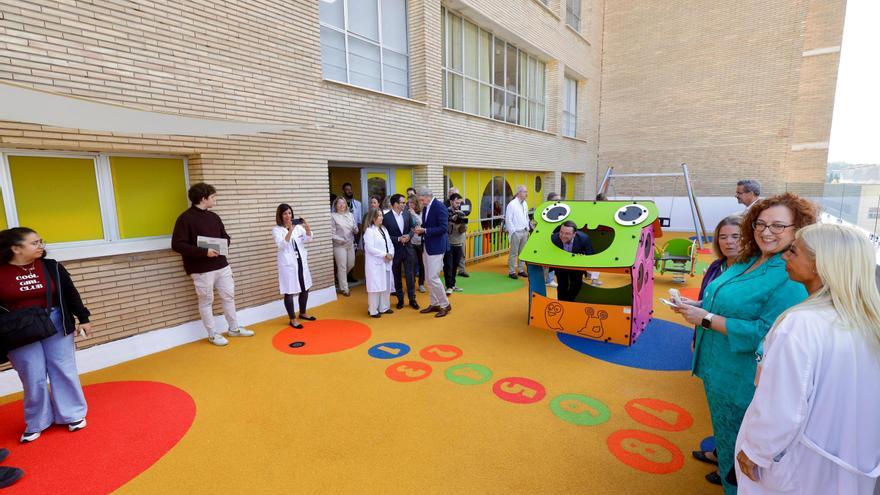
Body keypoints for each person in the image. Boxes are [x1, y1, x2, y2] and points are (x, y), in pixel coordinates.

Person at [672, 193, 817, 493]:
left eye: (778, 226)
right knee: (727, 442)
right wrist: (698, 305)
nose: (766, 231)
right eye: (761, 224)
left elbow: (768, 332)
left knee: (745, 457)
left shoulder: (790, 272)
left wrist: (706, 319)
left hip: (743, 381)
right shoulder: (749, 259)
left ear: (798, 228)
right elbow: (723, 300)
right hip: (717, 369)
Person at [735, 223, 880, 494]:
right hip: (852, 462)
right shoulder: (869, 322)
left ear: (818, 263)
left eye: (793, 251)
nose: (784, 257)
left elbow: (783, 406)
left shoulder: (800, 324)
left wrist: (755, 450)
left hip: (796, 467)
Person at [0, 228, 91, 443]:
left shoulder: (52, 267)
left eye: (41, 241)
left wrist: (84, 319)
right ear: (16, 248)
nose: (41, 246)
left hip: (55, 321)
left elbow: (70, 293)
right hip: (18, 329)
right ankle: (37, 421)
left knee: (63, 367)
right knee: (33, 374)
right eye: (34, 243)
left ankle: (73, 414)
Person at [683, 215, 744, 482]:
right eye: (723, 237)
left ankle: (729, 467)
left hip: (732, 349)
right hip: (710, 339)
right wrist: (694, 304)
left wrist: (704, 317)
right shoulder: (718, 266)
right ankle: (721, 451)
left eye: (736, 236)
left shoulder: (748, 270)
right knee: (718, 407)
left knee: (734, 412)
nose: (729, 242)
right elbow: (710, 299)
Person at [172, 183, 254, 346]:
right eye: (213, 197)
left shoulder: (214, 217)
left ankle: (234, 328)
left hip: (222, 265)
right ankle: (212, 334)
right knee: (206, 301)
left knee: (228, 296)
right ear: (203, 198)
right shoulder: (184, 218)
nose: (215, 200)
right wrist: (204, 252)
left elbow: (225, 237)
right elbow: (177, 244)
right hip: (201, 269)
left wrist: (223, 244)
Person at [273, 204, 316, 329]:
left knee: (305, 287)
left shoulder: (298, 228)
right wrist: (290, 230)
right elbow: (281, 245)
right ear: (280, 215)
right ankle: (292, 319)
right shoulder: (276, 230)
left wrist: (307, 229)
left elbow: (308, 239)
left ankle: (303, 313)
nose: (288, 216)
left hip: (301, 262)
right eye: (285, 213)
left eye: (290, 213)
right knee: (289, 291)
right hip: (288, 264)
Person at [413, 186, 451, 318]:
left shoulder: (439, 207)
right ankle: (435, 303)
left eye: (422, 199)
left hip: (436, 247)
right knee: (429, 279)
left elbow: (443, 228)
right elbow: (429, 225)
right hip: (427, 246)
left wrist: (425, 231)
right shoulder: (427, 207)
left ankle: (445, 304)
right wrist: (421, 228)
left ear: (428, 196)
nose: (421, 202)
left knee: (433, 278)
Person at [383, 194, 419, 310]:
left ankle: (412, 299)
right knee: (397, 275)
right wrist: (398, 239)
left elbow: (413, 228)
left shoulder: (407, 214)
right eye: (402, 202)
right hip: (395, 250)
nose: (405, 204)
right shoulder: (386, 217)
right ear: (395, 204)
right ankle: (400, 300)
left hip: (408, 249)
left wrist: (409, 235)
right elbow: (385, 236)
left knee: (410, 275)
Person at [362, 208, 395, 318]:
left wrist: (391, 253)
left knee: (385, 285)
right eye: (379, 215)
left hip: (386, 262)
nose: (382, 217)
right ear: (373, 218)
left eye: (381, 215)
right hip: (376, 263)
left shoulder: (384, 229)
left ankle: (384, 307)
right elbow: (369, 248)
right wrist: (384, 254)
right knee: (375, 287)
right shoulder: (369, 231)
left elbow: (389, 243)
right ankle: (373, 310)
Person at [551, 221, 595, 301]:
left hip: (576, 266)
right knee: (562, 286)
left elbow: (591, 253)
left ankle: (569, 302)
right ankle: (562, 304)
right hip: (561, 266)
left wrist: (584, 257)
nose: (563, 236)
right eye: (561, 232)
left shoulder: (584, 238)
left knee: (576, 286)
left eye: (567, 233)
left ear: (574, 234)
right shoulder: (554, 238)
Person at [330, 197, 358, 297]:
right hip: (339, 245)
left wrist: (356, 230)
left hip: (350, 244)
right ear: (336, 205)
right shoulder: (333, 216)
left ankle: (340, 277)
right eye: (339, 203)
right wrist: (340, 240)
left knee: (351, 264)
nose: (342, 205)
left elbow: (354, 227)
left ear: (346, 205)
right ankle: (344, 288)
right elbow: (331, 233)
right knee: (342, 266)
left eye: (343, 203)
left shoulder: (350, 215)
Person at [505, 185, 530, 279]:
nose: (526, 194)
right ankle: (511, 271)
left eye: (526, 192)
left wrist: (527, 228)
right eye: (524, 192)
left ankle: (521, 270)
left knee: (522, 252)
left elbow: (526, 216)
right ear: (519, 193)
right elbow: (508, 219)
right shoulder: (512, 204)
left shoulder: (525, 203)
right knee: (513, 253)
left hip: (524, 231)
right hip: (516, 232)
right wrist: (513, 231)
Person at [444, 193, 467, 294]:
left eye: (459, 203)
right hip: (449, 243)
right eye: (456, 202)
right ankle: (448, 286)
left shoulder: (461, 213)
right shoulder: (445, 212)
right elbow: (444, 227)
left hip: (459, 243)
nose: (458, 204)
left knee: (455, 266)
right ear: (451, 201)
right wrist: (452, 220)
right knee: (448, 265)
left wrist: (462, 223)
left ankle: (452, 285)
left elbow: (463, 230)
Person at [408, 195, 427, 294]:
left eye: (412, 203)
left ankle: (421, 284)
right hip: (411, 242)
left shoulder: (420, 213)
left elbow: (421, 223)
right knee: (412, 264)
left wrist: (414, 214)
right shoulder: (406, 213)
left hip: (420, 242)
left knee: (421, 264)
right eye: (409, 202)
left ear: (416, 204)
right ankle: (412, 284)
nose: (410, 205)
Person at [543, 192, 562, 288]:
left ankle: (549, 279)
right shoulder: (547, 211)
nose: (559, 201)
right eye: (556, 200)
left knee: (553, 260)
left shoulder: (559, 210)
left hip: (557, 237)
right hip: (549, 238)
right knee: (548, 260)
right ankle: (548, 280)